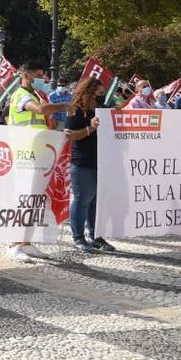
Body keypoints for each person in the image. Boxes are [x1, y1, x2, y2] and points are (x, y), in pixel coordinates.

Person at [6, 62, 70, 263]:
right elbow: (41, 110)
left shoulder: (33, 94)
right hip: (24, 154)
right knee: (23, 201)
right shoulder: (21, 95)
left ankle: (25, 242)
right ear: (26, 75)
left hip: (37, 154)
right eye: (40, 74)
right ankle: (13, 244)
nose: (45, 79)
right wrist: (64, 105)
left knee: (33, 201)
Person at [64, 77, 115, 254]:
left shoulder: (102, 109)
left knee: (96, 202)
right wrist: (90, 129)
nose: (101, 96)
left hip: (101, 161)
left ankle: (95, 236)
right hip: (82, 162)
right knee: (82, 200)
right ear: (89, 92)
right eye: (98, 93)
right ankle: (78, 238)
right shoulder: (75, 110)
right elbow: (70, 135)